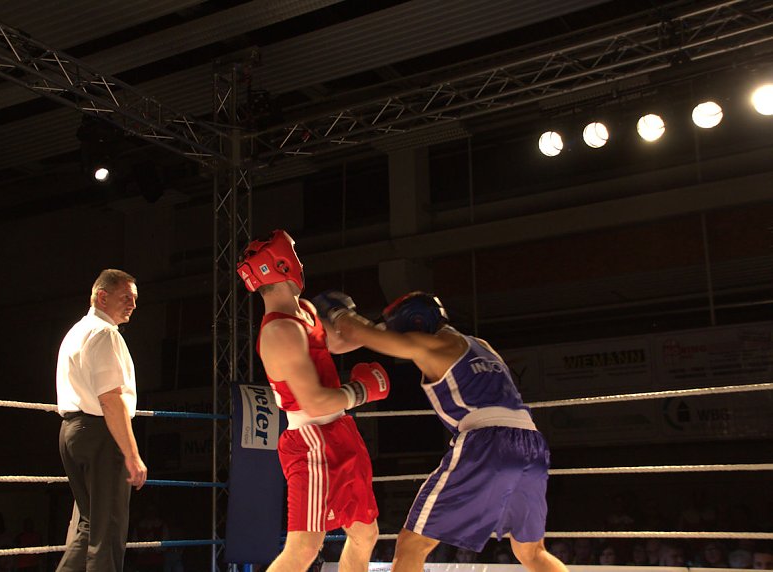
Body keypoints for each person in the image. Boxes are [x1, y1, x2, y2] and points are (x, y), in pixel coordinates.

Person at [313, 290, 568, 572]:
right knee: (532, 551)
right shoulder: (481, 345)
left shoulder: (430, 346)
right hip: (531, 443)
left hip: (486, 441)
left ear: (415, 324)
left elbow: (360, 333)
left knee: (412, 544)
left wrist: (336, 311)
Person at [236, 230, 391, 572]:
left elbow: (333, 343)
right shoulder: (279, 332)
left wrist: (388, 330)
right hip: (312, 442)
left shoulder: (304, 310)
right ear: (282, 264)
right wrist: (362, 390)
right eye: (294, 255)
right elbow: (315, 402)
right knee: (304, 548)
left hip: (340, 431)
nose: (301, 262)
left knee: (366, 534)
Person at [56, 268, 148, 572]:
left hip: (71, 432)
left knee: (88, 526)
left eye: (134, 299)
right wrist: (132, 455)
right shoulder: (105, 334)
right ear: (102, 296)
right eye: (126, 298)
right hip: (100, 435)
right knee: (106, 532)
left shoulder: (76, 331)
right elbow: (111, 400)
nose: (132, 305)